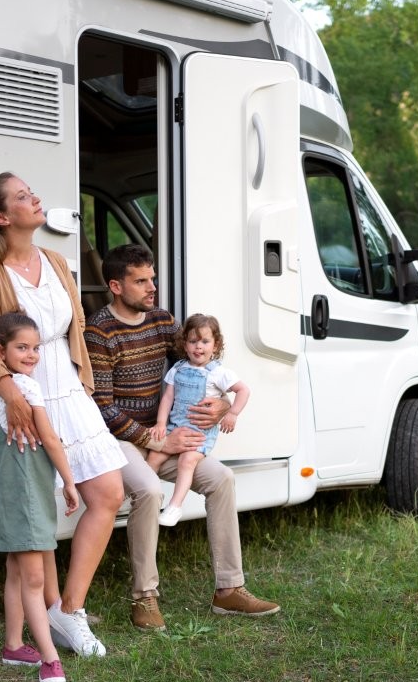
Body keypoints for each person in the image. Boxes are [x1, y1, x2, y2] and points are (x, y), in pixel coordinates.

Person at [0, 172, 126, 658]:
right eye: (21, 196)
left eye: (31, 191)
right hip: (22, 395)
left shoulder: (55, 260)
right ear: (0, 216)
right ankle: (50, 609)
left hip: (68, 391)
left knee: (108, 493)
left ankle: (68, 610)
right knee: (43, 506)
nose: (35, 198)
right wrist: (12, 395)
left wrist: (86, 385)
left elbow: (73, 331)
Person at [84, 243, 280, 633]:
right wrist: (158, 441)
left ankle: (229, 589)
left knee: (221, 478)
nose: (152, 287)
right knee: (149, 492)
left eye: (152, 278)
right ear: (116, 286)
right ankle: (145, 596)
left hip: (165, 434)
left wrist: (224, 404)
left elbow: (198, 368)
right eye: (141, 281)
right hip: (122, 439)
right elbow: (103, 409)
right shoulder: (99, 331)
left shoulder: (162, 321)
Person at [0, 312, 81, 682]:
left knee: (16, 571)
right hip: (27, 495)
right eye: (22, 347)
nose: (32, 355)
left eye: (35, 348)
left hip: (8, 493)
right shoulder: (28, 389)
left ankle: (12, 645)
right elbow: (50, 440)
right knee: (34, 578)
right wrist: (69, 481)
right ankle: (50, 660)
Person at [148, 313, 249, 527]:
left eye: (205, 341)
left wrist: (232, 413)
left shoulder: (219, 373)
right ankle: (141, 496)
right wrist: (160, 423)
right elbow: (167, 398)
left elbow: (243, 390)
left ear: (216, 345)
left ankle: (175, 506)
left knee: (187, 460)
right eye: (193, 341)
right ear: (185, 345)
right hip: (175, 427)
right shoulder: (178, 369)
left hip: (199, 433)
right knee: (155, 455)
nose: (198, 347)